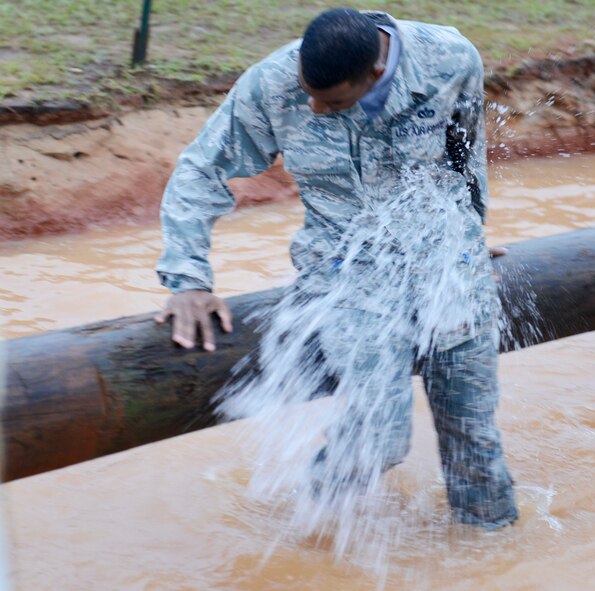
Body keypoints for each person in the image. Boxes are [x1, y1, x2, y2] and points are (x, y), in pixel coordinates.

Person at [154, 7, 518, 528]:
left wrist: (469, 233)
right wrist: (188, 279)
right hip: (347, 274)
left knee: (475, 441)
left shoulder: (448, 58)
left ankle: (495, 553)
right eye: (309, 92)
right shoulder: (275, 83)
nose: (315, 109)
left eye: (332, 101)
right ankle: (307, 534)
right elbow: (201, 169)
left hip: (447, 267)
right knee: (377, 441)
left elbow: (464, 148)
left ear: (374, 71)